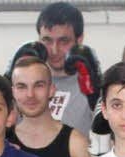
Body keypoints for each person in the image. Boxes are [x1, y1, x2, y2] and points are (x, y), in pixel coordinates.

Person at [34, 1, 96, 135]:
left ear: (79, 41)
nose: (54, 50)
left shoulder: (92, 86)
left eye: (63, 41)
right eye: (47, 40)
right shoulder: (27, 84)